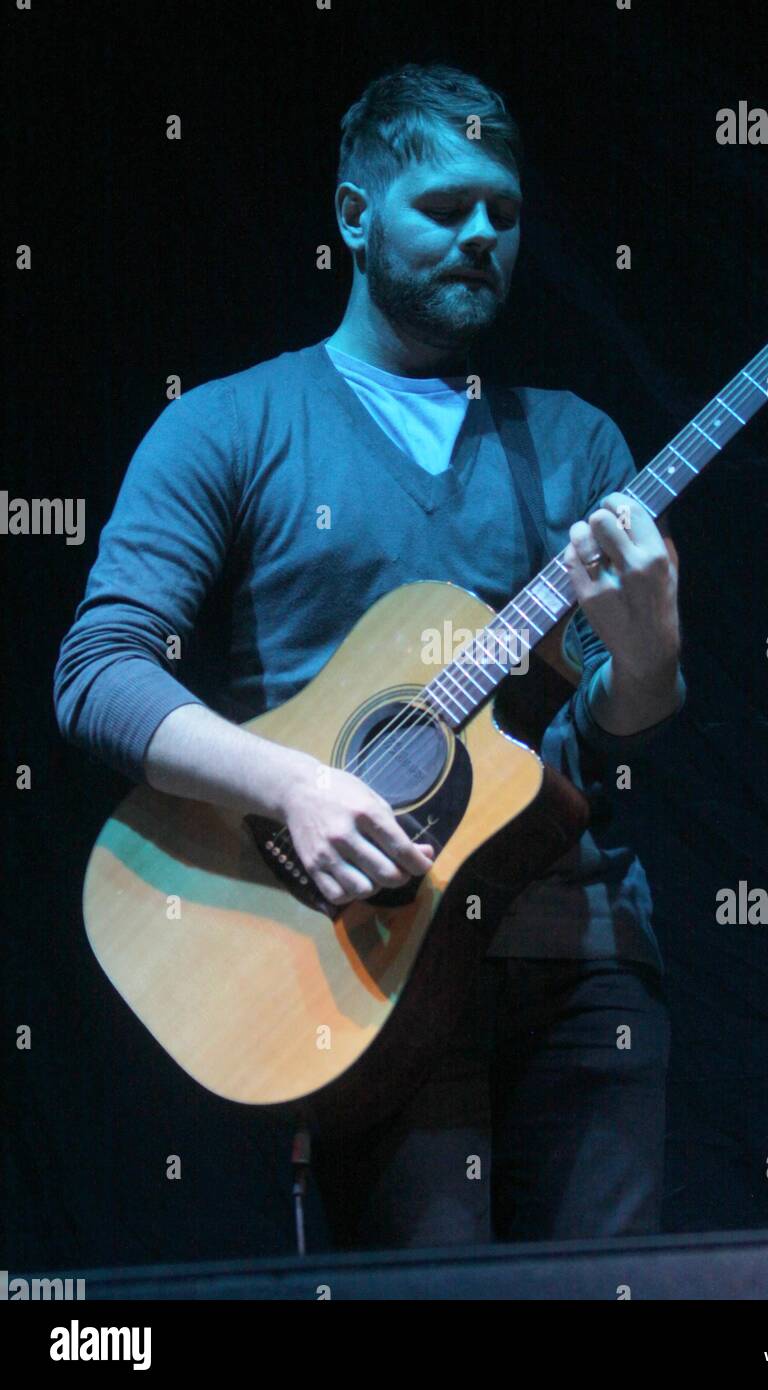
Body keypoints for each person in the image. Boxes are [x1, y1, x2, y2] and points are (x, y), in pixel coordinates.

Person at [54, 62, 685, 1249]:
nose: (483, 235)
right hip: (358, 964)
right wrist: (291, 781)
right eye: (445, 209)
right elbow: (99, 669)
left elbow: (618, 728)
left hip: (580, 953)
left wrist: (648, 657)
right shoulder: (231, 425)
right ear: (353, 215)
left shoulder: (576, 442)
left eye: (502, 210)